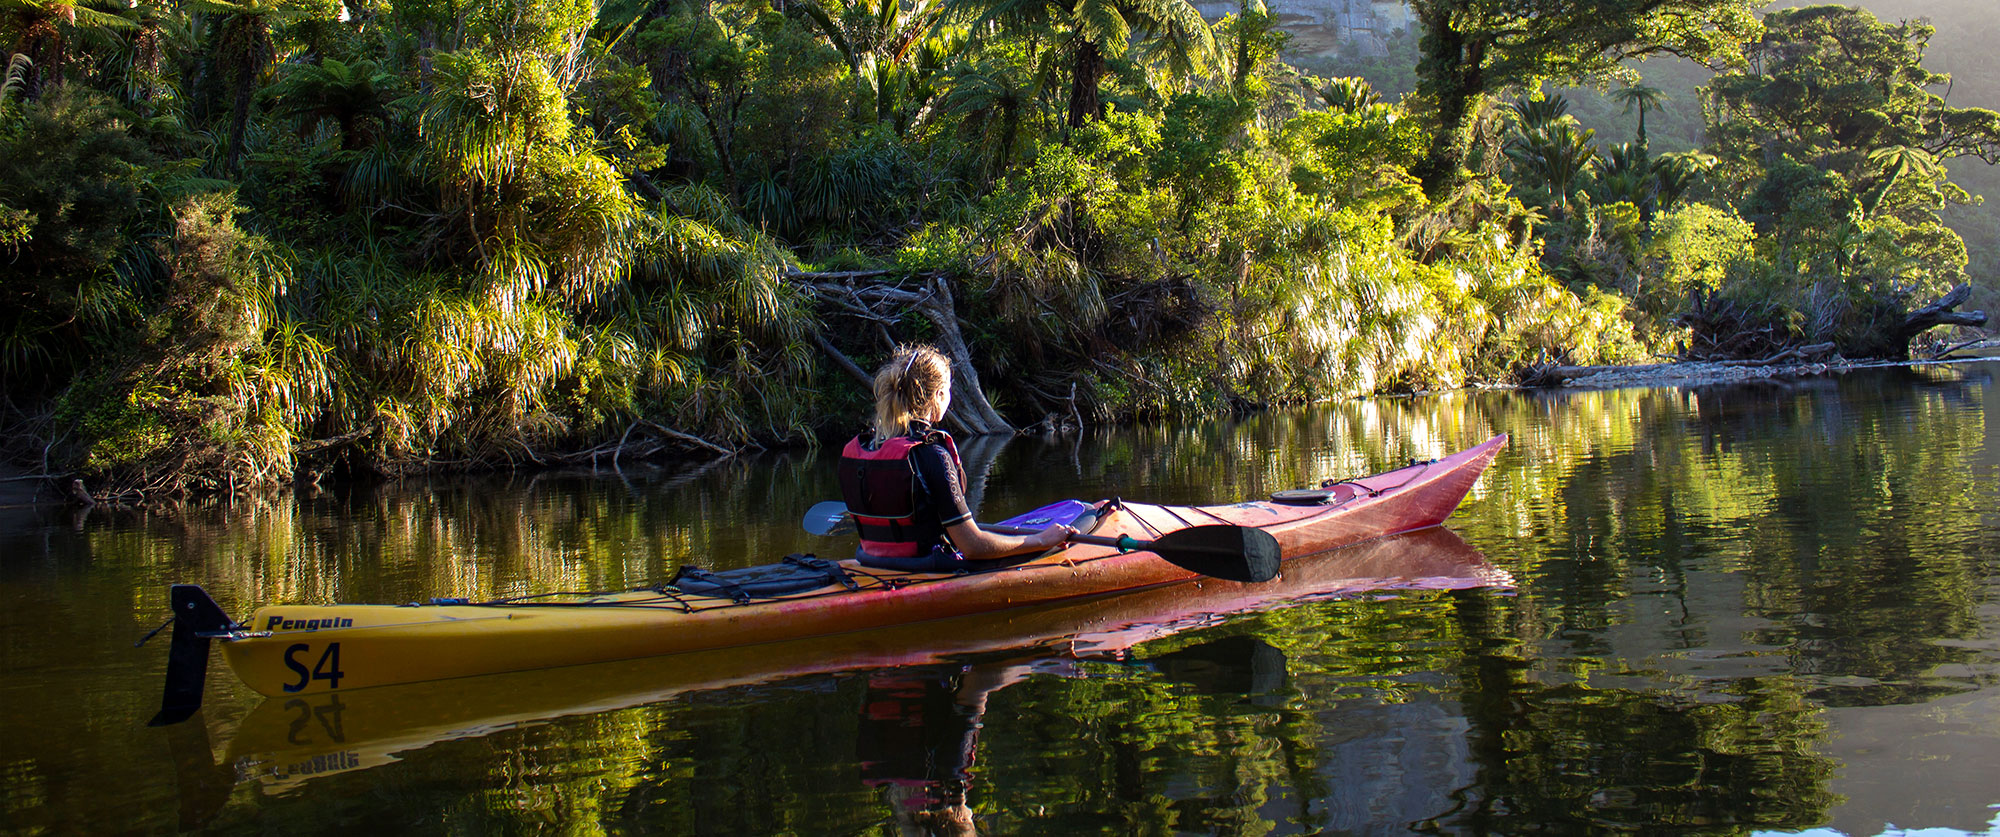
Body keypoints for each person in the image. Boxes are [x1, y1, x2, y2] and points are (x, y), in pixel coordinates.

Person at [839, 344, 1071, 571]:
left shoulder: (860, 448)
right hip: (926, 567)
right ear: (939, 395)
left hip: (871, 563)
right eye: (949, 390)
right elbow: (972, 546)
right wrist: (1042, 539)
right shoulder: (930, 454)